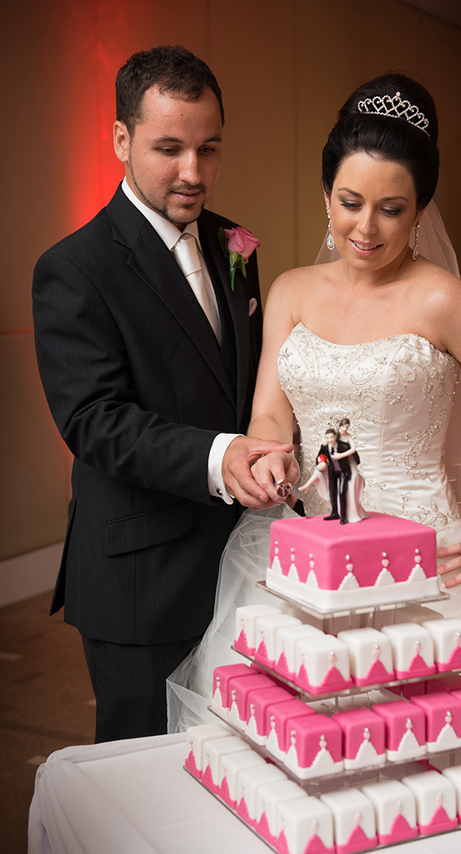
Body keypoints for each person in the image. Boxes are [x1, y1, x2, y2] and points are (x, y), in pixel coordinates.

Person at [168, 73, 461, 764]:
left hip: (430, 570)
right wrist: (275, 453)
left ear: (422, 208)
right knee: (303, 759)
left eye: (392, 209)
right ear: (326, 196)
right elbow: (272, 411)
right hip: (311, 558)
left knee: (435, 765)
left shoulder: (443, 301)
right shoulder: (291, 292)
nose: (365, 228)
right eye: (350, 202)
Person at [32, 45, 297, 742]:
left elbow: (249, 381)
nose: (193, 172)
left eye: (209, 149)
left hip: (241, 563)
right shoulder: (72, 268)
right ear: (121, 140)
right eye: (169, 148)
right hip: (141, 577)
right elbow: (95, 421)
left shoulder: (236, 242)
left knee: (235, 760)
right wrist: (223, 456)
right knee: (143, 780)